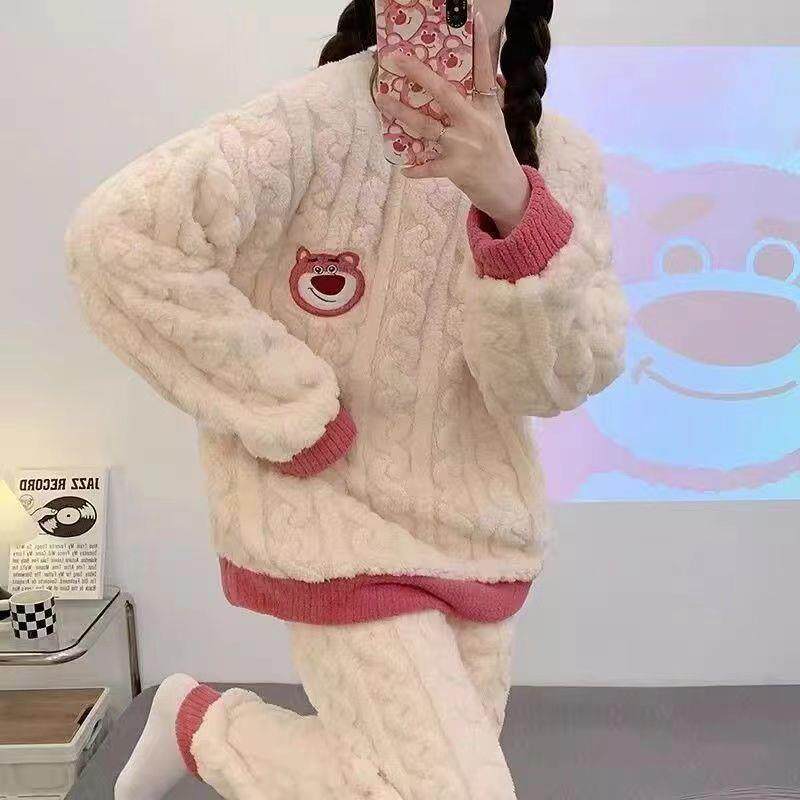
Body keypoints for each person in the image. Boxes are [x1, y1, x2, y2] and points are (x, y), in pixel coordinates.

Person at [65, 0, 627, 797]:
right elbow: (117, 238)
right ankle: (199, 728)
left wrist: (512, 203)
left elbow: (555, 380)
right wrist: (291, 407)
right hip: (336, 519)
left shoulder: (562, 161)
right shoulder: (311, 123)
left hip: (478, 528)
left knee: (390, 783)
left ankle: (199, 727)